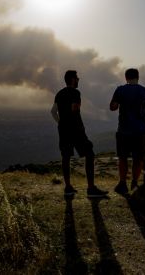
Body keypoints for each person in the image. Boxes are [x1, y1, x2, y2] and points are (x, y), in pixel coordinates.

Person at [51, 70, 108, 198]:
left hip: (63, 129)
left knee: (66, 157)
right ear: (72, 79)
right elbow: (75, 110)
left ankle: (68, 187)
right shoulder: (75, 93)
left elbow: (53, 111)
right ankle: (91, 188)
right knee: (89, 154)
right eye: (77, 78)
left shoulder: (59, 94)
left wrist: (60, 123)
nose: (78, 80)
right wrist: (80, 127)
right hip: (76, 129)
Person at [110, 68, 145, 195]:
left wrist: (118, 103)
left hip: (123, 131)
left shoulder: (120, 90)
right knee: (138, 159)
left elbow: (113, 107)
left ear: (126, 77)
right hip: (140, 131)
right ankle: (134, 181)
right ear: (138, 77)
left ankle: (122, 184)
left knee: (123, 158)